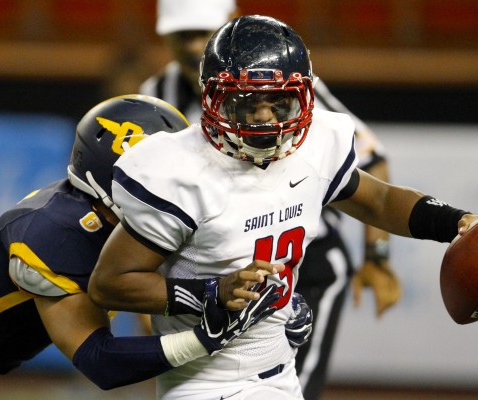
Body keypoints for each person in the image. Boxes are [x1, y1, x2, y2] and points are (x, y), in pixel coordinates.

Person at [89, 15, 478, 400]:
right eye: (245, 102)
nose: (264, 118)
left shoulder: (316, 146)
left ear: (303, 96)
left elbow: (377, 199)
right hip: (206, 380)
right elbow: (110, 283)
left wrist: (459, 223)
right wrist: (210, 292)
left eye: (278, 101)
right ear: (212, 98)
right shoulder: (182, 172)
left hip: (281, 371)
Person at [0, 95, 293, 400]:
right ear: (118, 176)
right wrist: (209, 338)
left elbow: (173, 299)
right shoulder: (54, 235)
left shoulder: (119, 223)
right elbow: (101, 362)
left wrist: (273, 313)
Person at [139, 1, 401, 398]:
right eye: (182, 35)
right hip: (217, 273)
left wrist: (377, 255)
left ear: (228, 27)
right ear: (164, 37)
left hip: (303, 262)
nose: (194, 46)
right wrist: (156, 297)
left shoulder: (283, 87)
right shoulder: (156, 95)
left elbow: (372, 163)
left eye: (202, 33)